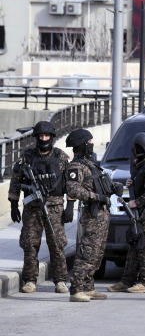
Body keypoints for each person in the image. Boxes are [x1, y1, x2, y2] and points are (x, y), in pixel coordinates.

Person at [8, 120, 71, 294]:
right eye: (41, 135)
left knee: (57, 245)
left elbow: (70, 183)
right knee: (29, 244)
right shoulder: (27, 158)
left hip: (55, 207)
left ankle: (60, 280)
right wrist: (14, 205)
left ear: (52, 137)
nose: (44, 138)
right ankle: (29, 280)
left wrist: (71, 206)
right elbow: (16, 181)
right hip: (32, 208)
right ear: (36, 137)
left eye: (47, 135)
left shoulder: (61, 157)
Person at [66, 129, 123, 302]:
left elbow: (99, 183)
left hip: (102, 214)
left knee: (97, 253)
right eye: (89, 142)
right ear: (82, 144)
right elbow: (73, 189)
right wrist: (94, 197)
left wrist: (113, 187)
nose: (91, 145)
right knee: (87, 253)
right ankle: (76, 289)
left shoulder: (91, 164)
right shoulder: (76, 166)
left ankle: (88, 287)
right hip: (92, 214)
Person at [109, 133, 145, 294]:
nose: (133, 150)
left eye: (136, 147)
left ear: (142, 148)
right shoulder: (142, 164)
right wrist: (133, 183)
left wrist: (136, 202)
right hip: (140, 214)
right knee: (134, 246)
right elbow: (143, 184)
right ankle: (127, 281)